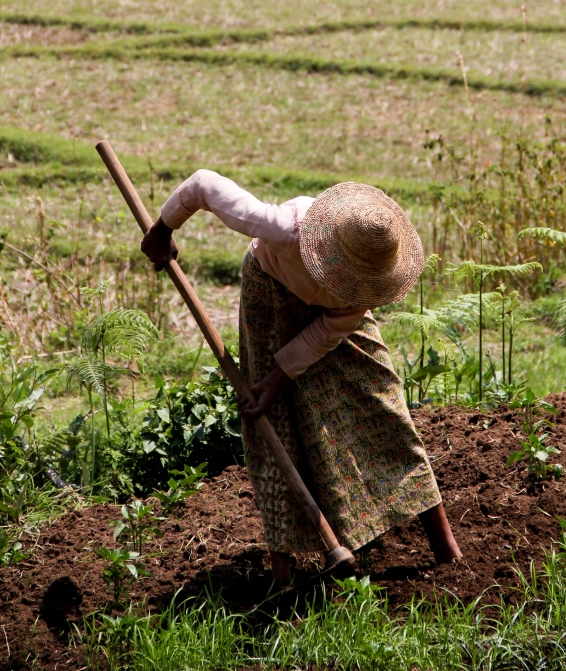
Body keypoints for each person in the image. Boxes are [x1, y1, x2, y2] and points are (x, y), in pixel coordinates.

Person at [142, 172, 462, 585]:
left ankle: (447, 552)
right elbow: (203, 184)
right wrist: (163, 228)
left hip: (331, 326)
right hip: (269, 292)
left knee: (385, 409)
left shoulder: (371, 281)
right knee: (275, 420)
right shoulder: (285, 228)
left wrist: (281, 375)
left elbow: (329, 330)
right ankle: (282, 576)